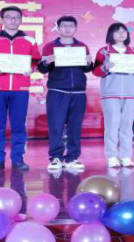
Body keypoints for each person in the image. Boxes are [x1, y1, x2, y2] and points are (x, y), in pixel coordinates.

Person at [0, 6, 41, 171]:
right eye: (9, 17)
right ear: (2, 20)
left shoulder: (30, 41)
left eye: (16, 17)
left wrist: (31, 68)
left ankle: (18, 159)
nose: (13, 20)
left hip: (20, 88)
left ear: (21, 20)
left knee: (19, 125)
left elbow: (36, 60)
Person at [38, 16, 95, 173]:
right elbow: (42, 69)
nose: (68, 28)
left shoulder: (82, 46)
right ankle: (55, 157)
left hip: (78, 92)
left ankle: (72, 158)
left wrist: (89, 63)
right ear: (58, 28)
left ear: (75, 28)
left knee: (75, 127)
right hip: (57, 92)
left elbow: (86, 69)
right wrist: (47, 62)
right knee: (56, 126)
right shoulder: (50, 47)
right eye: (64, 26)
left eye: (71, 26)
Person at [93, 23, 134, 168]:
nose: (121, 34)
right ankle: (111, 156)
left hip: (130, 94)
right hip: (110, 93)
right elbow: (95, 71)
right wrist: (105, 67)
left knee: (127, 126)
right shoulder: (104, 51)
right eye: (117, 32)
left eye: (124, 31)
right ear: (110, 34)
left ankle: (125, 156)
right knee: (112, 125)